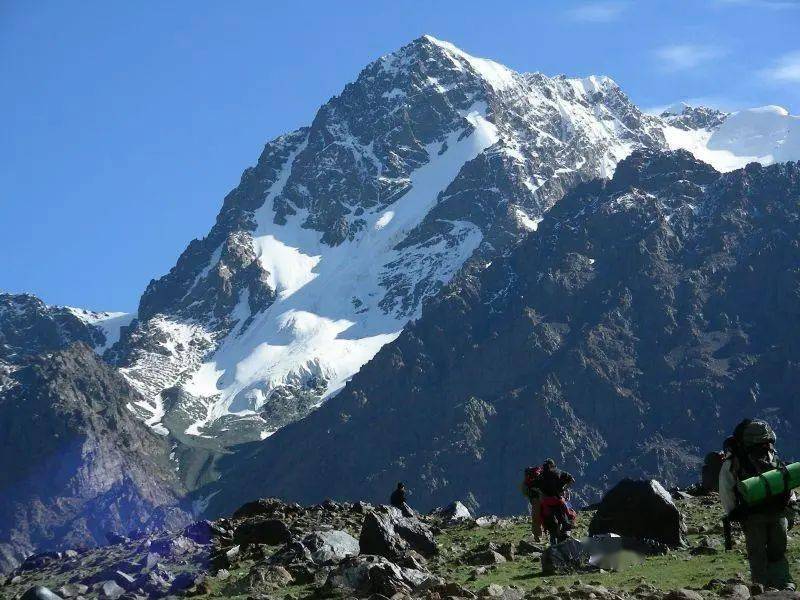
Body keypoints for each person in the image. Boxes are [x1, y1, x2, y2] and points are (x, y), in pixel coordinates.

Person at [719, 419, 796, 591]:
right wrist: (790, 504)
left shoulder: (733, 460)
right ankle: (785, 585)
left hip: (752, 515)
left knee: (757, 554)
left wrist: (733, 512)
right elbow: (784, 479)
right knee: (778, 552)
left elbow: (726, 489)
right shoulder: (771, 453)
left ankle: (760, 587)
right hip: (778, 511)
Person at [537, 459, 576, 546]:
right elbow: (572, 480)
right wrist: (563, 489)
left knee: (548, 520)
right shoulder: (559, 471)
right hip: (559, 500)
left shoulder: (541, 475)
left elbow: (537, 488)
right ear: (553, 465)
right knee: (569, 512)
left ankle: (552, 543)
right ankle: (567, 531)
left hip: (546, 502)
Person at [521, 466, 544, 541]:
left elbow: (526, 491)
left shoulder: (528, 481)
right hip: (543, 499)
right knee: (542, 516)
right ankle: (542, 534)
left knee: (536, 517)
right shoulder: (538, 477)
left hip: (535, 500)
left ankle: (537, 535)